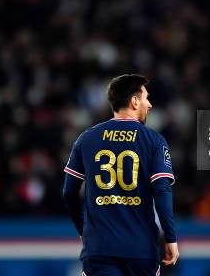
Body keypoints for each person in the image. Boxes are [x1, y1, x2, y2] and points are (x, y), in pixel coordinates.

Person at [63, 74, 179, 276]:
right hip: (140, 250)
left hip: (100, 248)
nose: (149, 104)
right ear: (134, 101)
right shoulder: (154, 141)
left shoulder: (87, 138)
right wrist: (170, 238)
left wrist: (83, 230)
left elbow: (69, 192)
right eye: (146, 98)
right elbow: (162, 190)